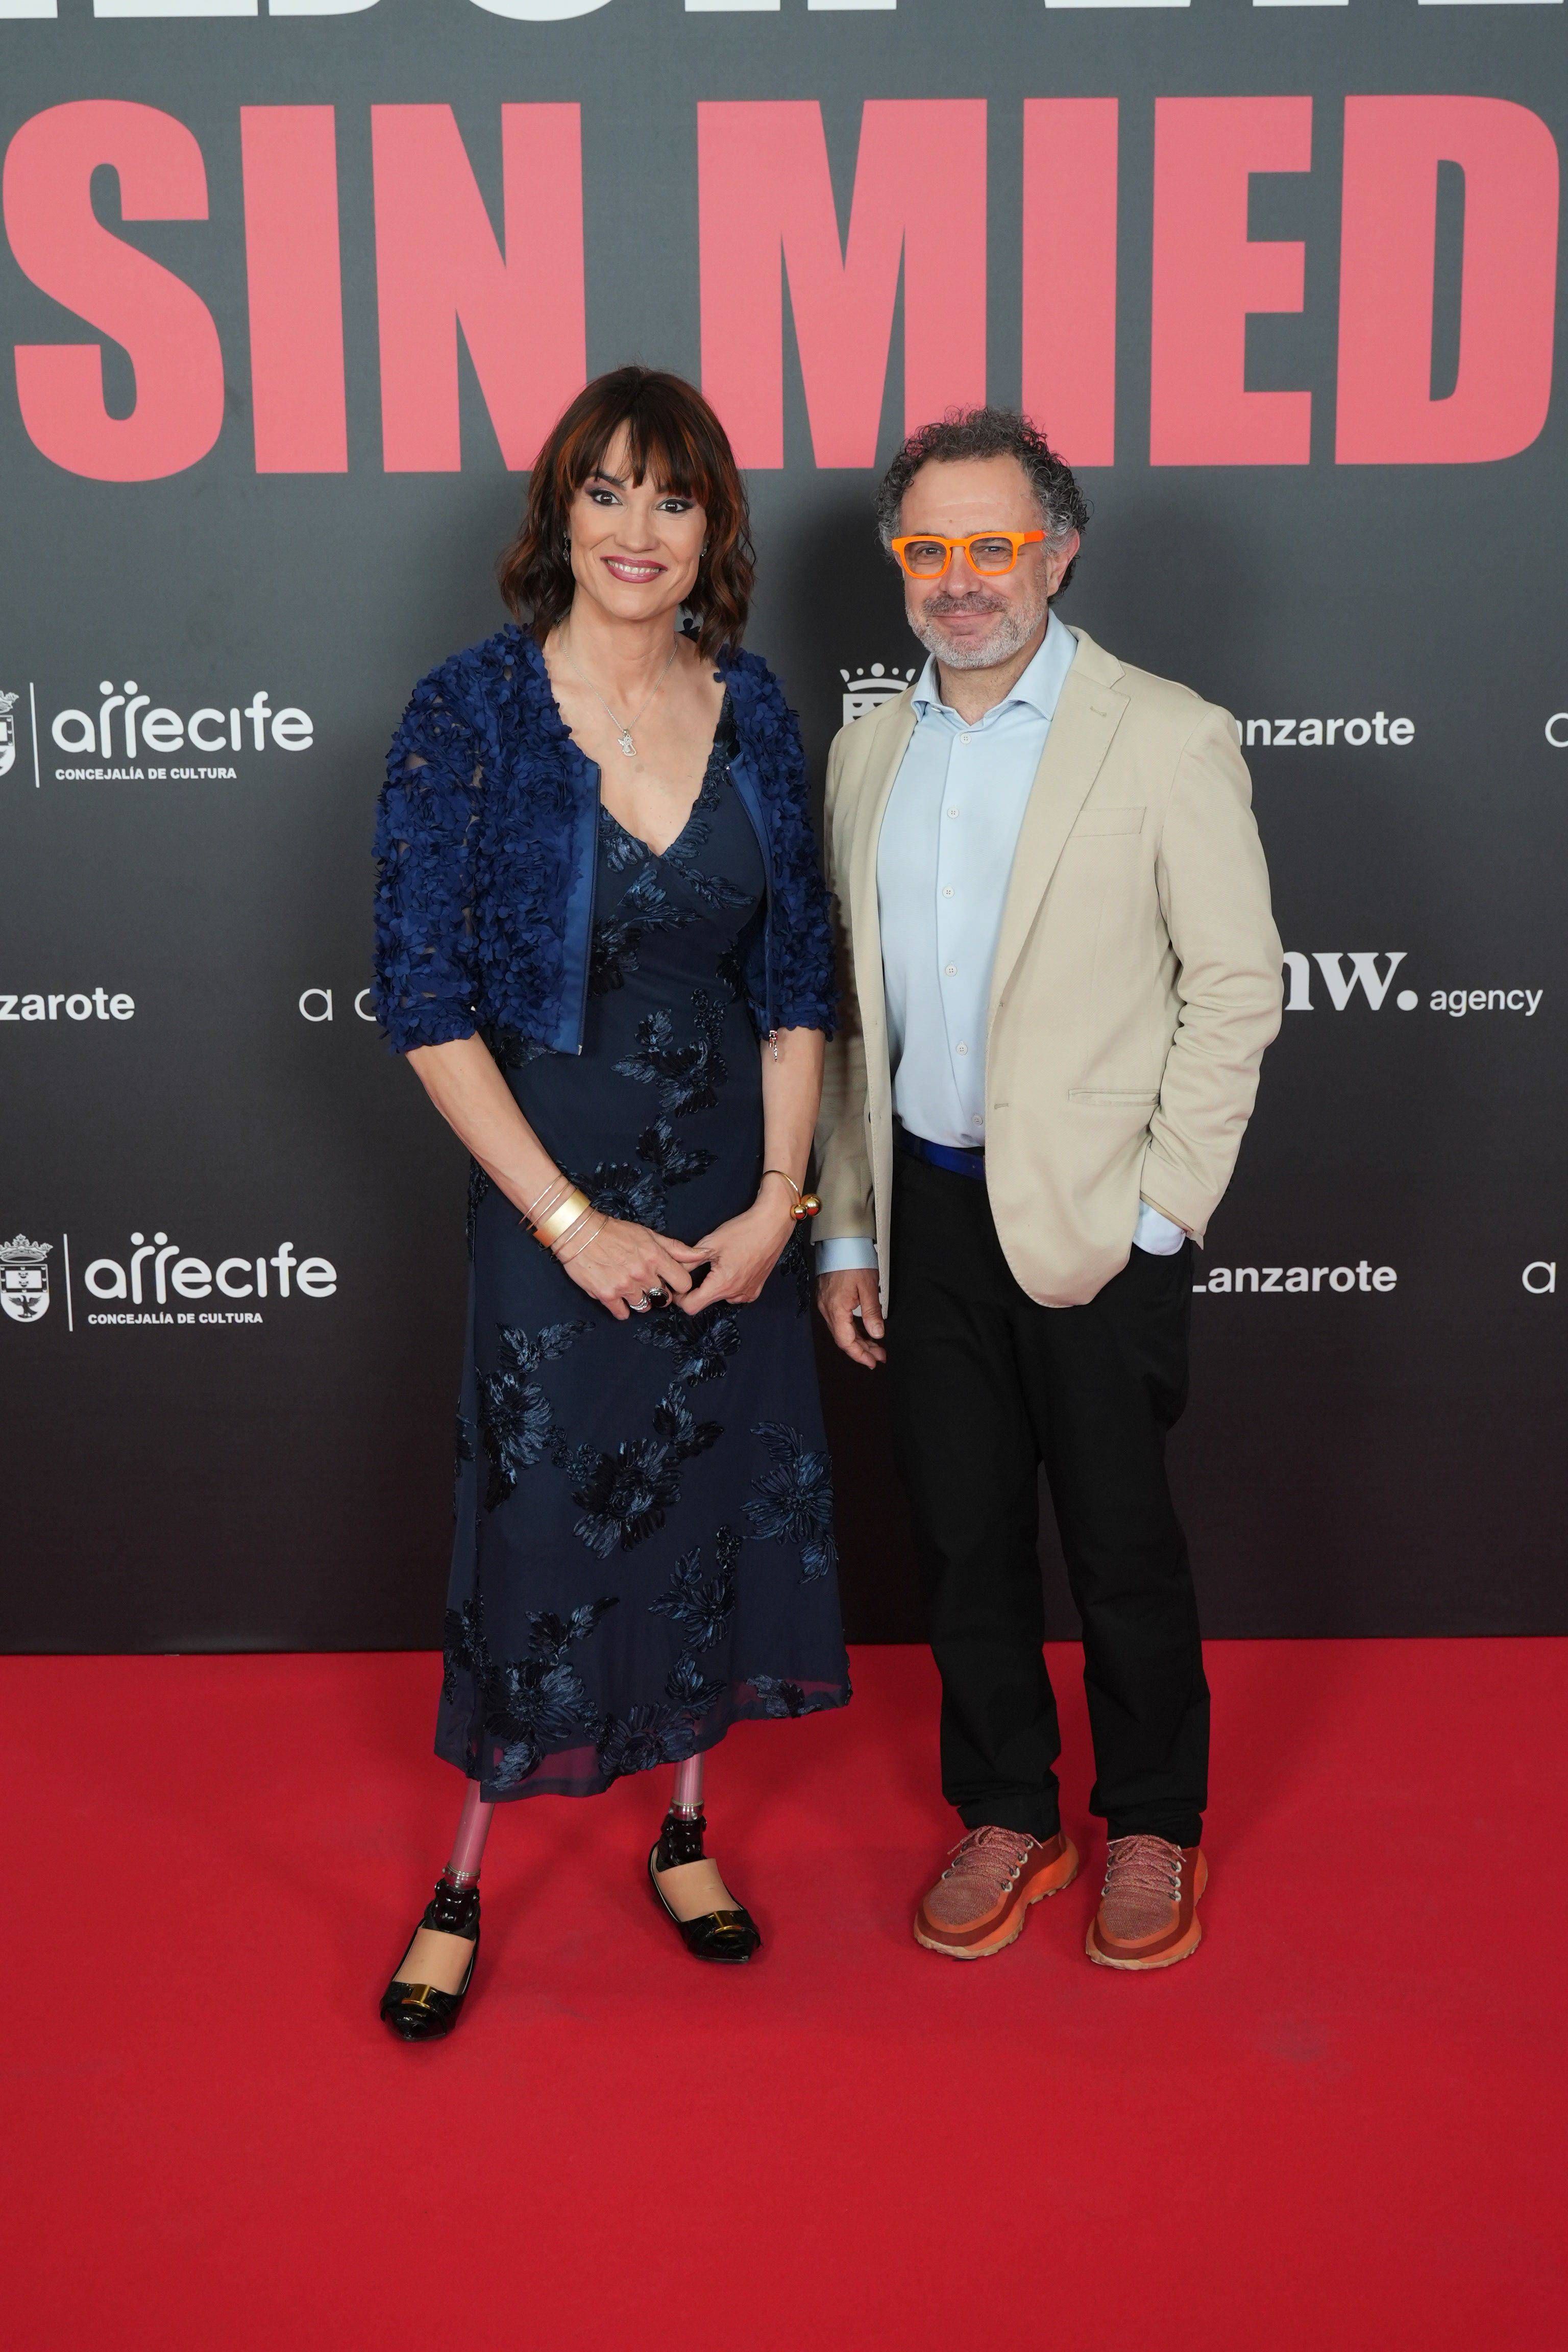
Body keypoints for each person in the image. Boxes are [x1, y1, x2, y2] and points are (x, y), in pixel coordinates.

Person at [372, 366, 849, 2039]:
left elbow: (799, 980)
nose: (637, 530)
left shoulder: (762, 710)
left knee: (712, 1506)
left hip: (732, 1199)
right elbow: (424, 1007)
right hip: (551, 1200)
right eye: (608, 491)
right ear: (558, 512)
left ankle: (688, 1829)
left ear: (713, 527)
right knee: (541, 1525)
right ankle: (467, 1870)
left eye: (673, 497)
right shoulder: (471, 714)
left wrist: (781, 1199)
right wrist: (572, 1225)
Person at [815, 409, 1282, 1971]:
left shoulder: (1165, 734)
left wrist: (1161, 1217)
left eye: (994, 545)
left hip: (1097, 1215)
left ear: (1059, 554)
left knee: (1122, 1539)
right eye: (930, 547)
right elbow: (847, 1013)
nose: (962, 579)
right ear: (901, 565)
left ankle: (1153, 1819)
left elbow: (1234, 989)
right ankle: (1010, 1802)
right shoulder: (868, 745)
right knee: (960, 1535)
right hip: (927, 1209)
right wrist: (853, 1222)